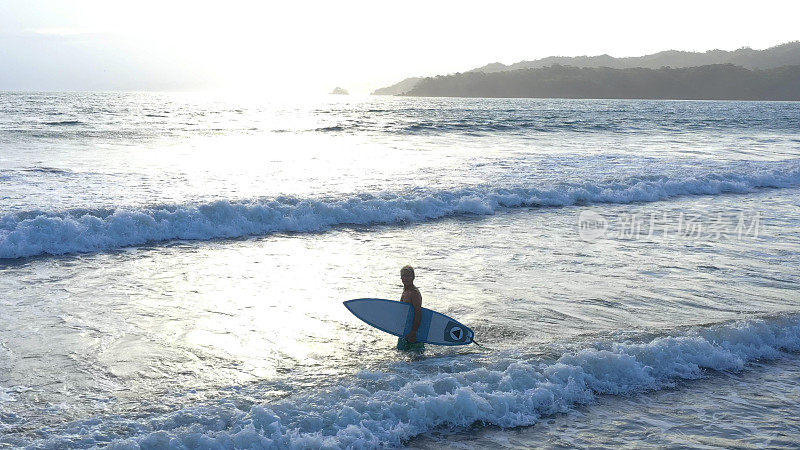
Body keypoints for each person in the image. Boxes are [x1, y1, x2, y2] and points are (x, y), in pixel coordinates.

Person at [397, 265, 424, 351]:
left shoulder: (414, 293)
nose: (406, 278)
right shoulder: (405, 291)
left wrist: (414, 332)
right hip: (405, 331)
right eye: (404, 276)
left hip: (413, 332)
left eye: (408, 276)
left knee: (417, 361)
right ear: (401, 278)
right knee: (402, 357)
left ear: (413, 277)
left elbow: (418, 313)